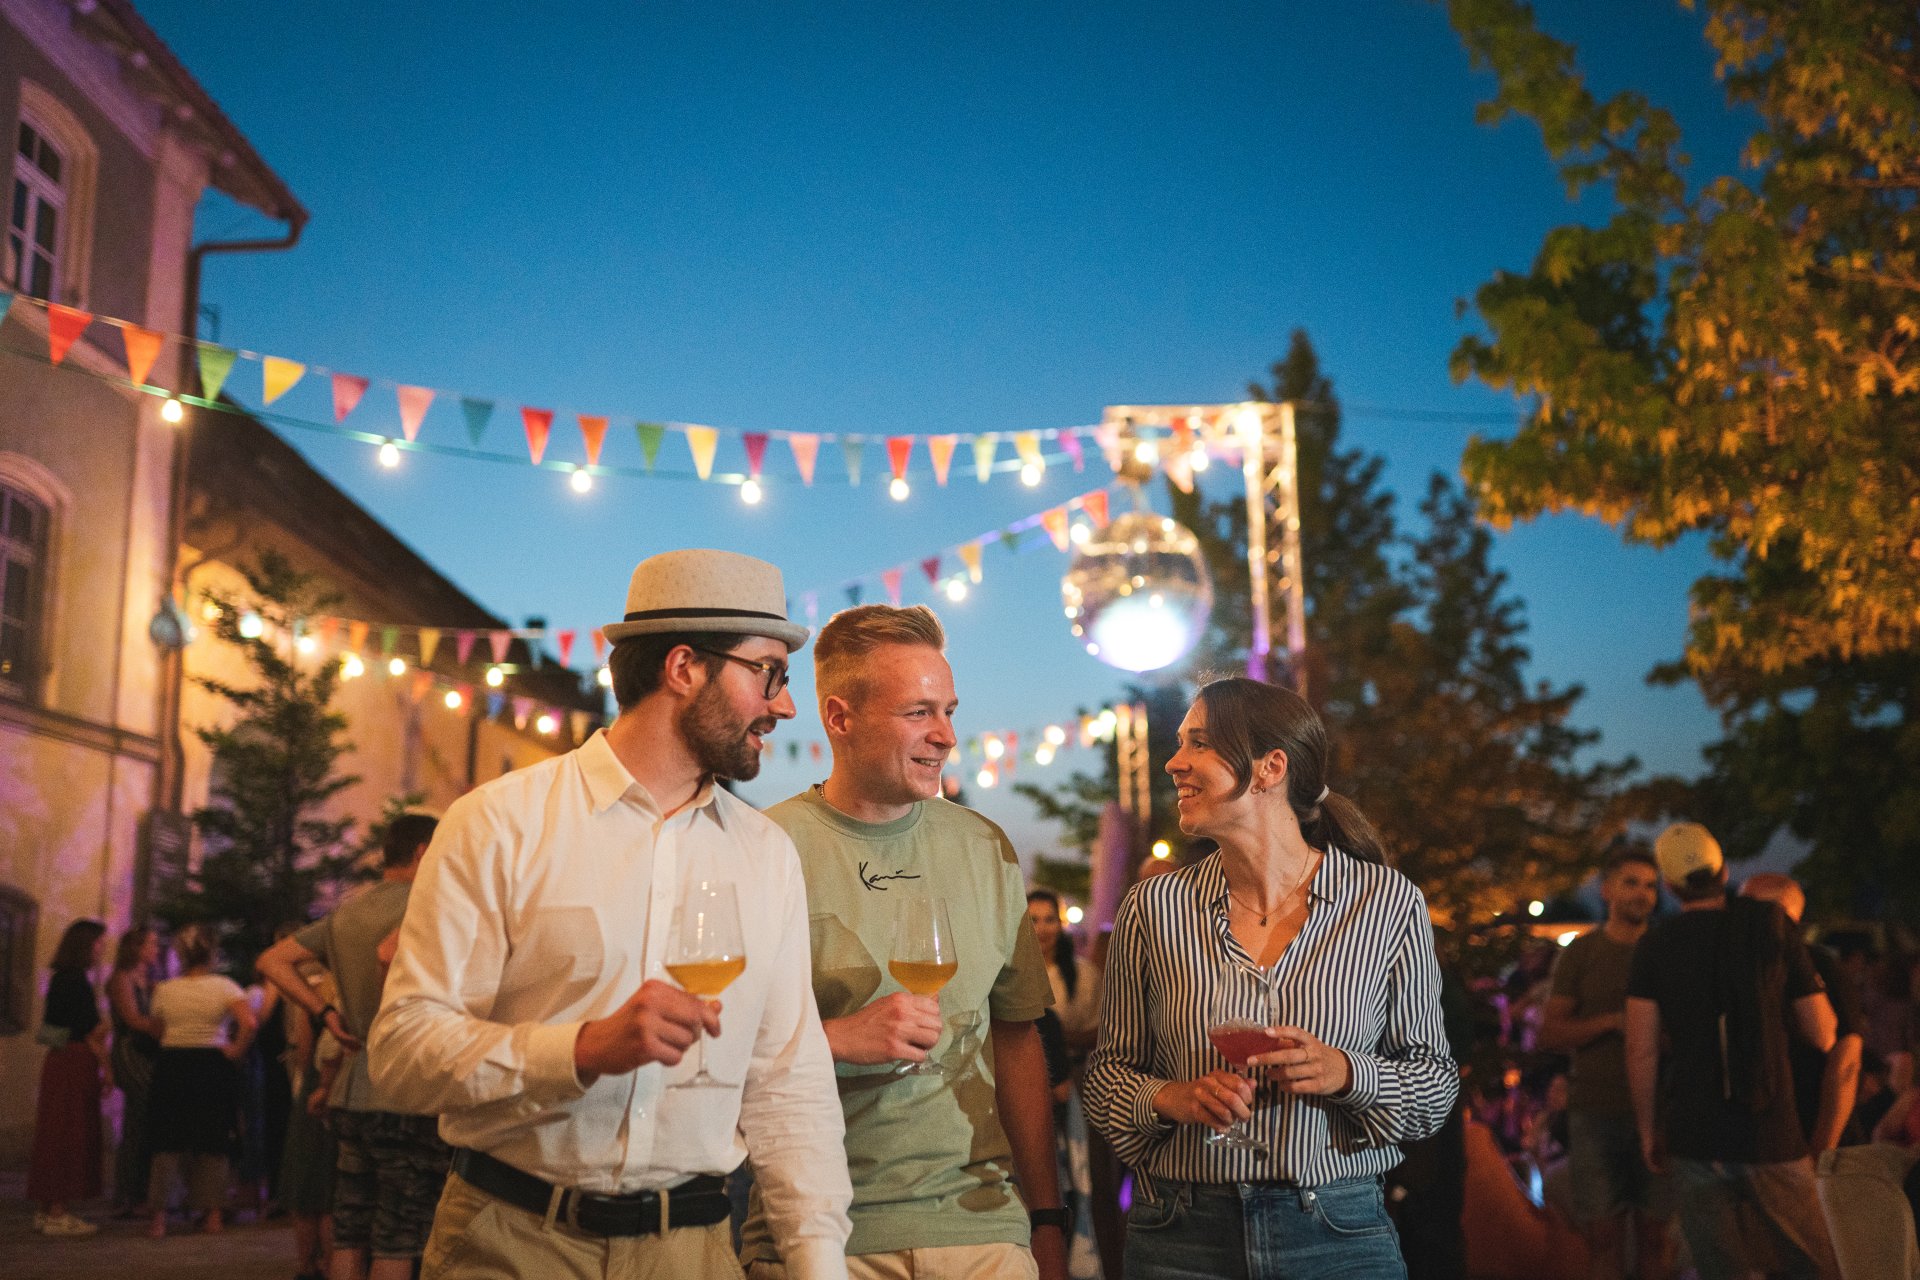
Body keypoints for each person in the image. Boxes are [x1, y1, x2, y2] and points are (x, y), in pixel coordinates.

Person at [369, 549, 852, 1280]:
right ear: (684, 668)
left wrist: (820, 1265)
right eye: (770, 674)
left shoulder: (766, 854)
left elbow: (789, 1083)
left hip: (693, 1253)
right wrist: (580, 1051)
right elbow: (403, 1055)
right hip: (510, 1242)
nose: (786, 706)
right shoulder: (498, 823)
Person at [1083, 676, 1457, 1280]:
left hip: (1337, 1233)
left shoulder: (1388, 904)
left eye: (1198, 743)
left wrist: (1344, 1072)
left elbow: (1434, 1089)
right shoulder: (1153, 909)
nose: (1173, 762)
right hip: (1183, 1237)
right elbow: (1105, 1079)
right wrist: (1168, 1097)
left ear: (1269, 767)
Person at [740, 603, 1066, 1280]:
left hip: (985, 1231)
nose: (946, 735)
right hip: (818, 1235)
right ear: (839, 718)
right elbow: (708, 1051)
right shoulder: (760, 850)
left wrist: (1046, 1220)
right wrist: (833, 1037)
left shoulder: (984, 848)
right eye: (919, 712)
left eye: (949, 710)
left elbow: (1016, 1039)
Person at [1624, 822, 1840, 1280]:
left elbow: (1640, 1050)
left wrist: (1648, 1129)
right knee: (1814, 1265)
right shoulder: (1770, 925)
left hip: (1694, 1133)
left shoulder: (1655, 945)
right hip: (1770, 1130)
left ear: (1669, 885)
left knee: (1723, 1270)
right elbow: (1822, 1033)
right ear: (1723, 870)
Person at [258, 811, 447, 1280]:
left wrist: (324, 1014)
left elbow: (273, 961)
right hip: (405, 1093)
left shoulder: (346, 913)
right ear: (423, 851)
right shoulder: (430, 908)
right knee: (398, 1236)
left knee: (350, 1230)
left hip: (350, 1089)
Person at [1537, 849, 1672, 1280]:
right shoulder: (1582, 953)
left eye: (1651, 885)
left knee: (1655, 1241)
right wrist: (1613, 1022)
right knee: (1602, 1241)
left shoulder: (1667, 949)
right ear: (1607, 889)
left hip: (1659, 1111)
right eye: (1632, 883)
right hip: (1594, 1112)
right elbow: (1551, 1033)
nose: (1643, 894)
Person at [147, 922, 259, 1238]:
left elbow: (157, 1029)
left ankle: (159, 1219)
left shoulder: (166, 989)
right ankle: (212, 1215)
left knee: (167, 1139)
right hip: (212, 1063)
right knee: (214, 1138)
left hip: (173, 1063)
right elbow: (248, 1022)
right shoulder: (225, 987)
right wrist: (235, 1049)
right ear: (211, 954)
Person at [27, 918, 110, 1237]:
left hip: (58, 1060)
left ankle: (46, 1207)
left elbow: (50, 1032)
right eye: (98, 943)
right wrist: (104, 1054)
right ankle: (58, 1210)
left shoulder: (60, 978)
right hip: (75, 1062)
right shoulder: (78, 982)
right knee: (70, 1132)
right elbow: (91, 1030)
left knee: (54, 1130)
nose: (102, 948)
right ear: (86, 945)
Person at [106, 925, 164, 1215]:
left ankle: (139, 1192)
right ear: (136, 948)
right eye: (151, 944)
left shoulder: (149, 979)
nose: (156, 949)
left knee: (146, 1119)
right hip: (130, 1051)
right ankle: (128, 1194)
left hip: (147, 1052)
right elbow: (132, 1019)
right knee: (139, 1118)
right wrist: (166, 1029)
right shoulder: (122, 978)